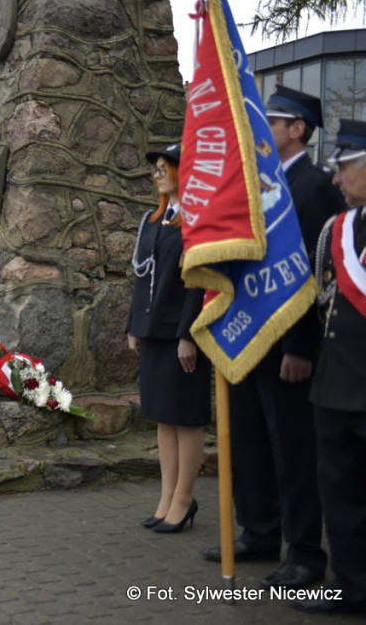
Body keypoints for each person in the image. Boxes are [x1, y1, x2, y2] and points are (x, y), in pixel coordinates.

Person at [202, 87, 345, 586]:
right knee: (250, 444)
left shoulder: (314, 186)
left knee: (294, 453)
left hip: (287, 346)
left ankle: (304, 552)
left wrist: (299, 347)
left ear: (298, 129)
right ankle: (259, 530)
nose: (265, 128)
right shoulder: (261, 187)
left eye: (275, 120)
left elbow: (315, 274)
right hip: (248, 339)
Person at [291, 119, 366, 615]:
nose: (335, 180)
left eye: (346, 168)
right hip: (336, 386)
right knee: (338, 494)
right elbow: (325, 303)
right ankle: (350, 582)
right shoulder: (339, 228)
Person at [126, 144, 210, 533]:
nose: (157, 174)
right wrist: (134, 326)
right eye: (155, 168)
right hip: (154, 331)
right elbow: (142, 278)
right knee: (163, 416)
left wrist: (188, 335)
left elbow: (198, 284)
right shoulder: (153, 220)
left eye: (164, 167)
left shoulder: (197, 221)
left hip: (182, 333)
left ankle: (184, 500)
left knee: (186, 417)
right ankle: (166, 498)